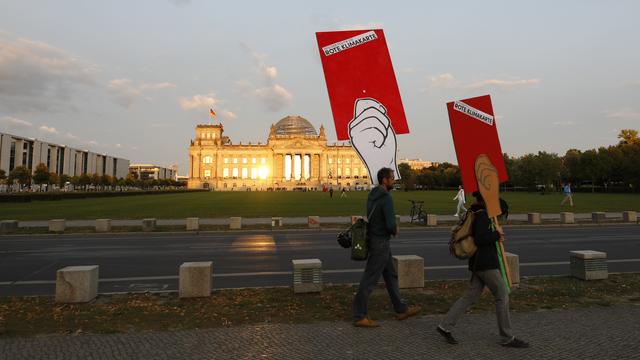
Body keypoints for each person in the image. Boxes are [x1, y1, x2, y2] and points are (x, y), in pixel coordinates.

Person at [437, 191, 529, 348]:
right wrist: (496, 235)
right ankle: (507, 337)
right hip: (486, 264)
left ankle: (445, 326)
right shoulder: (482, 215)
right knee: (502, 295)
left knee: (469, 297)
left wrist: (495, 235)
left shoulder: (475, 211)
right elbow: (480, 238)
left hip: (478, 263)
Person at [353, 168, 421, 327]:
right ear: (384, 180)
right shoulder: (386, 198)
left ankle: (401, 309)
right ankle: (359, 315)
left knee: (390, 275)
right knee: (369, 279)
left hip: (375, 240)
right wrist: (395, 229)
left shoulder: (372, 195)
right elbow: (390, 224)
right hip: (381, 242)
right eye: (392, 178)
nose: (394, 181)